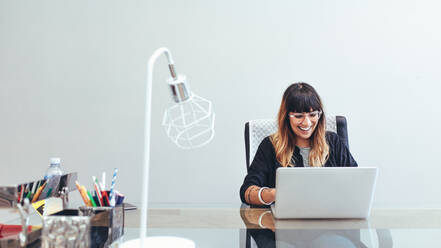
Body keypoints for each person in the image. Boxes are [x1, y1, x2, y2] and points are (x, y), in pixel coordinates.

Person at [240, 82, 358, 206]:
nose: (306, 123)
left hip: (330, 218)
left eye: (312, 115)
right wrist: (274, 194)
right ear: (286, 117)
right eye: (298, 116)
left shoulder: (333, 141)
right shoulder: (269, 146)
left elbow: (357, 182)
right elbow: (246, 191)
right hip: (284, 222)